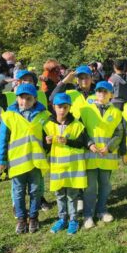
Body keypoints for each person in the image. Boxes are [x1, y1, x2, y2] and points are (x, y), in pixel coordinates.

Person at [0, 83, 50, 234]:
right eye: (21, 98)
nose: (24, 102)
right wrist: (1, 160)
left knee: (35, 191)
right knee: (18, 192)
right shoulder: (9, 116)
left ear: (35, 99)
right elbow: (2, 139)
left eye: (28, 99)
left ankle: (33, 217)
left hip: (36, 162)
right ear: (16, 97)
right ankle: (21, 219)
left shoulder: (44, 116)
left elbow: (49, 136)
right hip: (17, 162)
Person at [79, 81, 123, 228]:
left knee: (105, 185)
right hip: (91, 155)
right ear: (95, 92)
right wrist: (90, 144)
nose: (102, 94)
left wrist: (109, 147)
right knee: (90, 187)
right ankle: (88, 214)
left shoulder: (116, 112)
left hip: (107, 156)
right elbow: (82, 131)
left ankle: (102, 210)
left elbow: (119, 132)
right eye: (99, 91)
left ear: (111, 94)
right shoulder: (85, 110)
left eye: (105, 92)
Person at [45, 93, 90, 235]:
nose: (62, 110)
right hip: (58, 169)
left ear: (70, 107)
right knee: (59, 195)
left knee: (72, 195)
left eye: (65, 107)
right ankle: (62, 219)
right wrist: (46, 142)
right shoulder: (48, 125)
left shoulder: (77, 125)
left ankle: (73, 220)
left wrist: (68, 141)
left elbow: (82, 143)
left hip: (73, 168)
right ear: (54, 107)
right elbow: (44, 146)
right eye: (59, 107)